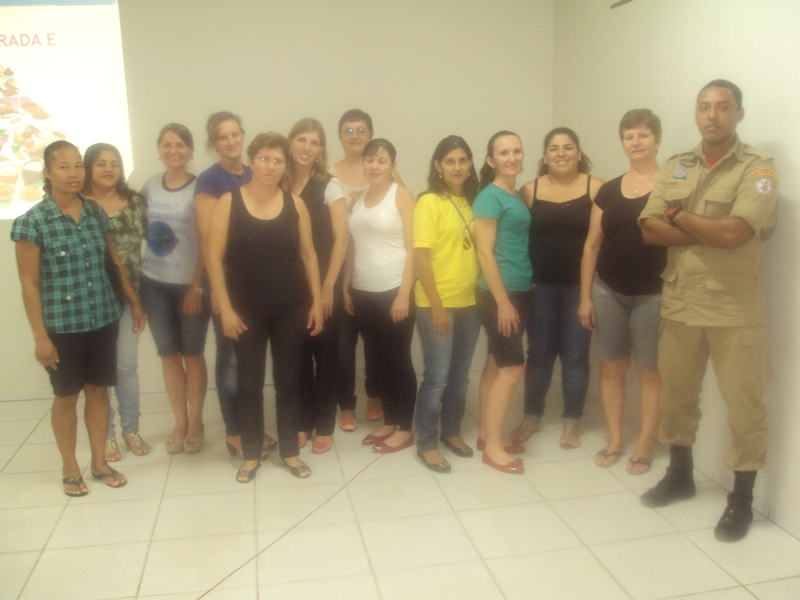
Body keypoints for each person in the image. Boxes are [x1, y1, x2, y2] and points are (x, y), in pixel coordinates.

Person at [638, 80, 778, 543]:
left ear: (739, 113)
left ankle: (741, 499)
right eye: (704, 107)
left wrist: (680, 216)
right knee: (676, 397)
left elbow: (736, 234)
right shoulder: (678, 164)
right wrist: (707, 228)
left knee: (745, 408)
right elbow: (650, 230)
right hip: (681, 303)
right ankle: (680, 476)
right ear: (696, 114)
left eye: (722, 107)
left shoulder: (758, 168)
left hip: (734, 308)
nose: (712, 115)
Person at [11, 140, 145, 496]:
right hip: (62, 327)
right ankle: (70, 467)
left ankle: (99, 463)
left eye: (77, 166)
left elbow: (113, 263)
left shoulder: (95, 212)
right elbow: (29, 285)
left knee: (99, 391)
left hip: (102, 318)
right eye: (64, 167)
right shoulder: (32, 222)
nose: (73, 173)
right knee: (66, 396)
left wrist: (133, 302)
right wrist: (40, 337)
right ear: (47, 172)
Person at [206, 132, 324, 482]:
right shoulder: (229, 202)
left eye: (277, 161)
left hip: (291, 308)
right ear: (251, 161)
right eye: (264, 159)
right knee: (249, 384)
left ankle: (289, 451)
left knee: (288, 383)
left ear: (284, 165)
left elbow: (309, 256)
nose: (271, 166)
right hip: (245, 311)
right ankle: (251, 453)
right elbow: (213, 258)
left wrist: (317, 302)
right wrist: (226, 309)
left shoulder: (295, 205)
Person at [578, 110, 666, 474]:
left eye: (643, 135)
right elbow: (591, 245)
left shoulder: (672, 186)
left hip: (654, 295)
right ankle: (615, 438)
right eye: (629, 136)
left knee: (649, 372)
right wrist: (585, 297)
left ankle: (644, 442)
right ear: (623, 143)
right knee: (611, 367)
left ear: (657, 140)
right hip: (608, 291)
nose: (636, 142)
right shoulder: (609, 190)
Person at [510, 128, 603, 449]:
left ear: (579, 152)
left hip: (581, 288)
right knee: (538, 354)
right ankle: (531, 417)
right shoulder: (529, 190)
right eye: (554, 148)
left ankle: (571, 422)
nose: (561, 153)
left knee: (576, 355)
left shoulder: (596, 188)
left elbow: (600, 242)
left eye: (568, 147)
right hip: (539, 288)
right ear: (545, 155)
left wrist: (589, 295)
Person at [193, 111, 277, 456]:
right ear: (214, 143)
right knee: (230, 359)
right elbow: (208, 239)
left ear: (242, 135)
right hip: (226, 285)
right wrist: (217, 290)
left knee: (249, 362)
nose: (230, 141)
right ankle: (235, 433)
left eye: (235, 134)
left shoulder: (253, 171)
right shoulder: (209, 181)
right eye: (222, 136)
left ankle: (251, 427)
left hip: (255, 285)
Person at [330, 109, 405, 429]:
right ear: (340, 136)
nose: (355, 135)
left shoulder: (385, 171)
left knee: (376, 344)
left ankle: (376, 395)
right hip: (343, 267)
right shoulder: (330, 173)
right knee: (344, 344)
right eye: (348, 130)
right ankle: (347, 405)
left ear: (371, 134)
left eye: (361, 129)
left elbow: (404, 214)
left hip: (383, 275)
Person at [140, 124, 210, 454]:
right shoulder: (150, 185)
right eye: (167, 144)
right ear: (159, 149)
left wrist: (197, 287)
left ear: (191, 150)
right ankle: (180, 421)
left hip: (190, 286)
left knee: (193, 354)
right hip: (154, 284)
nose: (173, 150)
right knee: (169, 355)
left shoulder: (200, 188)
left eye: (180, 145)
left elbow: (207, 241)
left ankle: (196, 420)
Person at [344, 138, 417, 453]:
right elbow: (352, 246)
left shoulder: (402, 195)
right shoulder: (359, 198)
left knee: (398, 360)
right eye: (370, 160)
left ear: (393, 166)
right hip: (362, 291)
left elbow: (414, 249)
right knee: (378, 362)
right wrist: (346, 286)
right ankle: (390, 420)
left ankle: (406, 427)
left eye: (382, 160)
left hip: (393, 291)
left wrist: (404, 294)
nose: (374, 166)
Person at [414, 136, 481, 473]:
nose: (457, 167)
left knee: (460, 376)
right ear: (438, 165)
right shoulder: (429, 202)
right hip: (436, 304)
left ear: (470, 164)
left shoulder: (474, 201)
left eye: (463, 160)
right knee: (437, 377)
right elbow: (421, 258)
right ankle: (426, 443)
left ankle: (451, 431)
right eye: (450, 161)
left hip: (471, 303)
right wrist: (437, 307)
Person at [82, 143, 151, 462]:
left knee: (126, 367)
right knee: (99, 373)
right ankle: (106, 434)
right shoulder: (79, 204)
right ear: (89, 168)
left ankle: (130, 429)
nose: (108, 169)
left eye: (114, 163)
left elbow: (158, 240)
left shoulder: (135, 202)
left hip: (129, 297)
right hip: (92, 300)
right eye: (101, 163)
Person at [287, 118, 348, 454]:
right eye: (301, 140)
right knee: (296, 356)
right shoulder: (279, 183)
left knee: (325, 355)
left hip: (325, 282)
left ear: (321, 149)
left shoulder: (329, 185)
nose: (306, 148)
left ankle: (324, 424)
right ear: (290, 142)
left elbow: (342, 239)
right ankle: (302, 420)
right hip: (290, 286)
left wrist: (328, 287)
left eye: (313, 142)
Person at [473, 131, 529, 474]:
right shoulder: (488, 197)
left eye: (516, 151)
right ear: (491, 160)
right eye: (504, 153)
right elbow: (484, 254)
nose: (512, 158)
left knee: (495, 365)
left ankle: (485, 435)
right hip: (500, 295)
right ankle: (494, 448)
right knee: (512, 369)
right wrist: (503, 303)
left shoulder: (514, 194)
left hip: (516, 290)